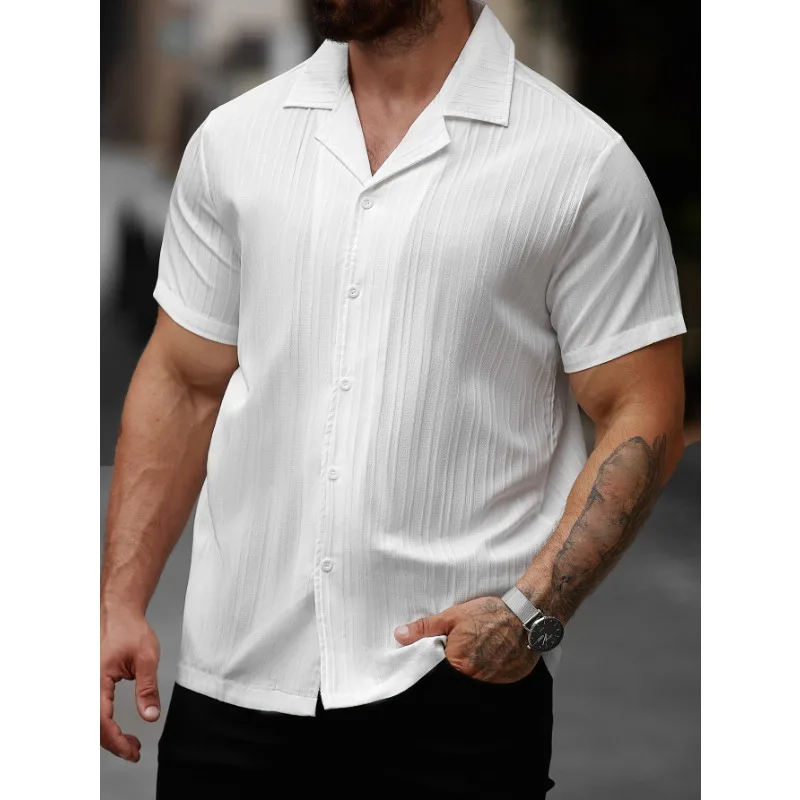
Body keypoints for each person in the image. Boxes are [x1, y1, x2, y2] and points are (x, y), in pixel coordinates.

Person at [100, 1, 687, 796]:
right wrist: (121, 600)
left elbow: (642, 407)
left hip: (453, 698)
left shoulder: (579, 164)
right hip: (233, 691)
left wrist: (530, 615)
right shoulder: (235, 142)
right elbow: (185, 379)